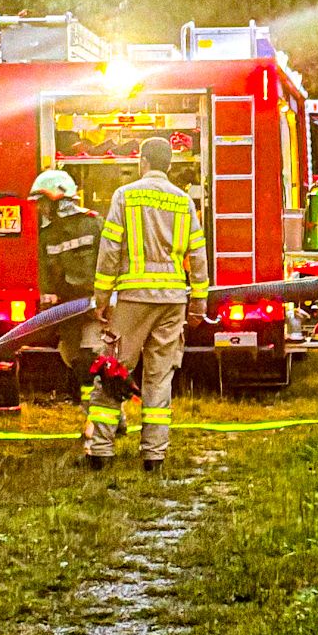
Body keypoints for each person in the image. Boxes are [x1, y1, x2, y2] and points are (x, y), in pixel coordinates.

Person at [86, 135, 208, 473]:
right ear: (169, 164)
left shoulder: (125, 196)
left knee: (113, 370)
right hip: (173, 300)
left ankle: (100, 452)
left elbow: (110, 250)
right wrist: (198, 303)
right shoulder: (184, 202)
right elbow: (198, 256)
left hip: (133, 299)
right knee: (159, 377)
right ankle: (154, 456)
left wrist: (101, 298)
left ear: (143, 162)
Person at [28, 168, 104, 393]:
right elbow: (44, 271)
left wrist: (107, 297)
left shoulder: (93, 223)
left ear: (58, 199)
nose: (40, 208)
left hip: (94, 305)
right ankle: (90, 406)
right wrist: (46, 296)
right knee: (72, 357)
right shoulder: (47, 235)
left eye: (43, 202)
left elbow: (110, 260)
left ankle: (98, 407)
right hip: (66, 309)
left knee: (93, 356)